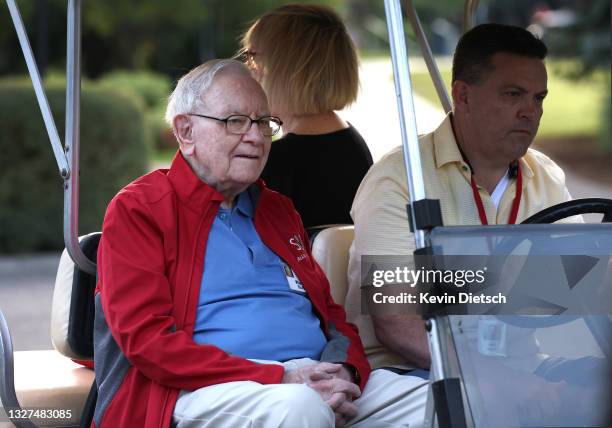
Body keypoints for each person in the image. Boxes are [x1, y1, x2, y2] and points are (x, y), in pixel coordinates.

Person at [93, 59, 423, 428]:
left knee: (442, 398)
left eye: (264, 122)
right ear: (185, 131)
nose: (255, 136)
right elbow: (147, 341)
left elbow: (332, 317)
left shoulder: (277, 209)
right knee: (299, 408)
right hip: (202, 387)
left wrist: (346, 372)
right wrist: (279, 378)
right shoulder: (141, 209)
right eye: (234, 121)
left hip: (309, 376)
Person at [344, 23, 583, 423]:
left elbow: (578, 290)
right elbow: (397, 323)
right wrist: (499, 376)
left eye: (538, 98)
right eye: (513, 94)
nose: (532, 111)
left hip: (522, 368)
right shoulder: (400, 178)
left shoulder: (547, 178)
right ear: (463, 95)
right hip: (411, 373)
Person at [239, 4, 373, 229]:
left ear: (287, 70)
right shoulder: (353, 146)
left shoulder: (275, 165)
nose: (248, 69)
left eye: (253, 58)